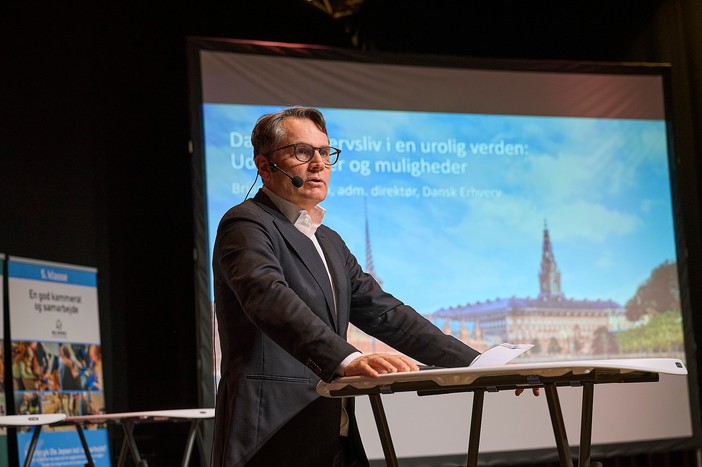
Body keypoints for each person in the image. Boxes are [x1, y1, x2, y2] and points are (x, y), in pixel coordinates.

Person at [212, 107, 532, 467]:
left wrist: (478, 365)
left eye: (325, 152)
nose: (318, 164)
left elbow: (386, 313)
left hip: (332, 431)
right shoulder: (246, 223)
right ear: (265, 165)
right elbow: (268, 298)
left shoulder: (328, 240)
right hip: (270, 433)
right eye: (302, 152)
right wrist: (348, 359)